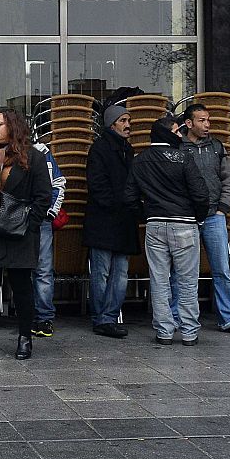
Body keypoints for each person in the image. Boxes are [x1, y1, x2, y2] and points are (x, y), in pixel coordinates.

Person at [0, 109, 54, 360]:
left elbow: (43, 197)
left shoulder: (34, 158)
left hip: (19, 232)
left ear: (13, 127)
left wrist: (29, 224)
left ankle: (25, 338)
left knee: (21, 287)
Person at [126, 114, 215, 346]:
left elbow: (129, 197)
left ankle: (164, 331)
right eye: (177, 131)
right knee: (187, 281)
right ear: (167, 133)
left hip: (154, 224)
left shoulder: (140, 160)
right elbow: (201, 194)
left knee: (159, 279)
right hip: (184, 223)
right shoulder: (183, 158)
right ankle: (189, 332)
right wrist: (199, 218)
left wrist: (144, 215)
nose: (180, 135)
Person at [179, 104, 230, 336]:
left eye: (208, 120)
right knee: (184, 271)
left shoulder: (216, 147)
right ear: (189, 123)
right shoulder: (178, 147)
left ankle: (229, 318)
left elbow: (228, 180)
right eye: (201, 120)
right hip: (187, 217)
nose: (207, 125)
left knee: (222, 269)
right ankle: (180, 317)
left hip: (214, 216)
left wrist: (223, 208)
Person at [84, 104, 136, 339]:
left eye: (129, 120)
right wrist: (121, 204)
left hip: (120, 219)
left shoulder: (127, 149)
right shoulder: (100, 149)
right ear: (112, 123)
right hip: (105, 220)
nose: (128, 125)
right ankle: (102, 318)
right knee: (103, 272)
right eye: (123, 120)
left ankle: (109, 316)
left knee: (119, 273)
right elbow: (97, 185)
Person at [29, 136, 66, 340]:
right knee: (35, 270)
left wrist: (49, 212)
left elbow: (58, 183)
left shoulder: (41, 152)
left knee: (42, 269)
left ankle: (43, 317)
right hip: (24, 219)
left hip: (38, 218)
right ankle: (33, 315)